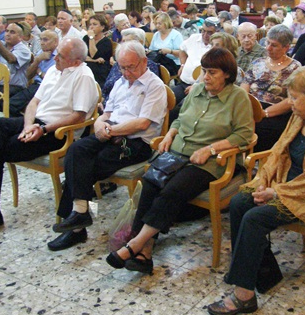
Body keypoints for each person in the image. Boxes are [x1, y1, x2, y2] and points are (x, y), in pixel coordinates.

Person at [207, 64, 305, 315]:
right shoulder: (301, 115)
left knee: (254, 218)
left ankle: (244, 295)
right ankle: (263, 272)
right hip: (286, 182)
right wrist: (264, 180)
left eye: (294, 97)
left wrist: (276, 192)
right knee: (239, 202)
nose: (289, 103)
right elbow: (279, 151)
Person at [105, 47, 254, 274]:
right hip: (178, 152)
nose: (206, 77)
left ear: (227, 74)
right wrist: (170, 134)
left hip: (210, 161)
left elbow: (244, 135)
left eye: (212, 72)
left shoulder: (238, 97)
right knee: (150, 182)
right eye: (204, 71)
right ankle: (145, 253)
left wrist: (210, 149)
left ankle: (135, 244)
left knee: (172, 190)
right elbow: (179, 119)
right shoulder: (197, 90)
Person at [0, 38, 99, 236]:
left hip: (57, 132)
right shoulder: (53, 71)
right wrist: (28, 125)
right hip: (36, 123)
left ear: (76, 61)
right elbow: (33, 103)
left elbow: (78, 116)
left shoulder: (83, 76)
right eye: (56, 53)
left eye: (61, 56)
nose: (54, 58)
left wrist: (43, 129)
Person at [49, 41, 167, 251]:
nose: (126, 73)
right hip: (110, 132)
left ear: (144, 62)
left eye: (130, 67)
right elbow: (106, 113)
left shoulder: (154, 86)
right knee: (76, 150)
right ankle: (80, 214)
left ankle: (76, 226)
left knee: (83, 167)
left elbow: (142, 123)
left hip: (136, 142)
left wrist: (110, 130)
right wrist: (99, 124)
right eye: (122, 67)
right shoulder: (121, 82)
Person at [242, 24, 302, 152]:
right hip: (250, 107)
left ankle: (256, 159)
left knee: (261, 130)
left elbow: (292, 99)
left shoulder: (295, 68)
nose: (268, 48)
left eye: (274, 45)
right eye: (267, 43)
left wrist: (264, 113)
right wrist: (245, 107)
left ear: (286, 47)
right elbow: (244, 86)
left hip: (275, 113)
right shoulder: (258, 62)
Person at [9, 30, 58, 116]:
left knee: (17, 106)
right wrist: (38, 60)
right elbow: (28, 75)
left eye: (45, 40)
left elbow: (50, 79)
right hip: (34, 86)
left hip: (47, 89)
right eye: (40, 39)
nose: (42, 43)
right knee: (10, 104)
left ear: (55, 42)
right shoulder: (40, 53)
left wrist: (39, 72)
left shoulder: (59, 56)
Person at [171, 17, 217, 110]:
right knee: (165, 100)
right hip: (183, 84)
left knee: (179, 110)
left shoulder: (217, 47)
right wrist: (182, 65)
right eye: (203, 31)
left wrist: (196, 86)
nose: (205, 35)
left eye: (209, 32)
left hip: (201, 89)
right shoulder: (194, 38)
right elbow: (182, 49)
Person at [83, 14, 113, 87]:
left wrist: (91, 38)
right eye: (90, 24)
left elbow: (93, 55)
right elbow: (81, 56)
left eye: (94, 24)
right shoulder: (85, 38)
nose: (91, 27)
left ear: (102, 27)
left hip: (100, 72)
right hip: (86, 69)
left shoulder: (106, 42)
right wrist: (94, 60)